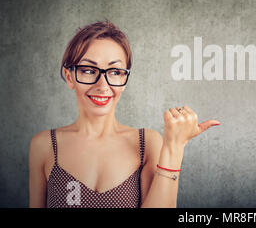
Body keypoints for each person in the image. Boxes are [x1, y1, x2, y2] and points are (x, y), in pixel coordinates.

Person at [28, 20, 220, 208]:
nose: (102, 86)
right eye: (88, 70)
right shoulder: (44, 145)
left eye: (114, 72)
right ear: (70, 77)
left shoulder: (148, 143)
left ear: (124, 79)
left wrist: (175, 147)